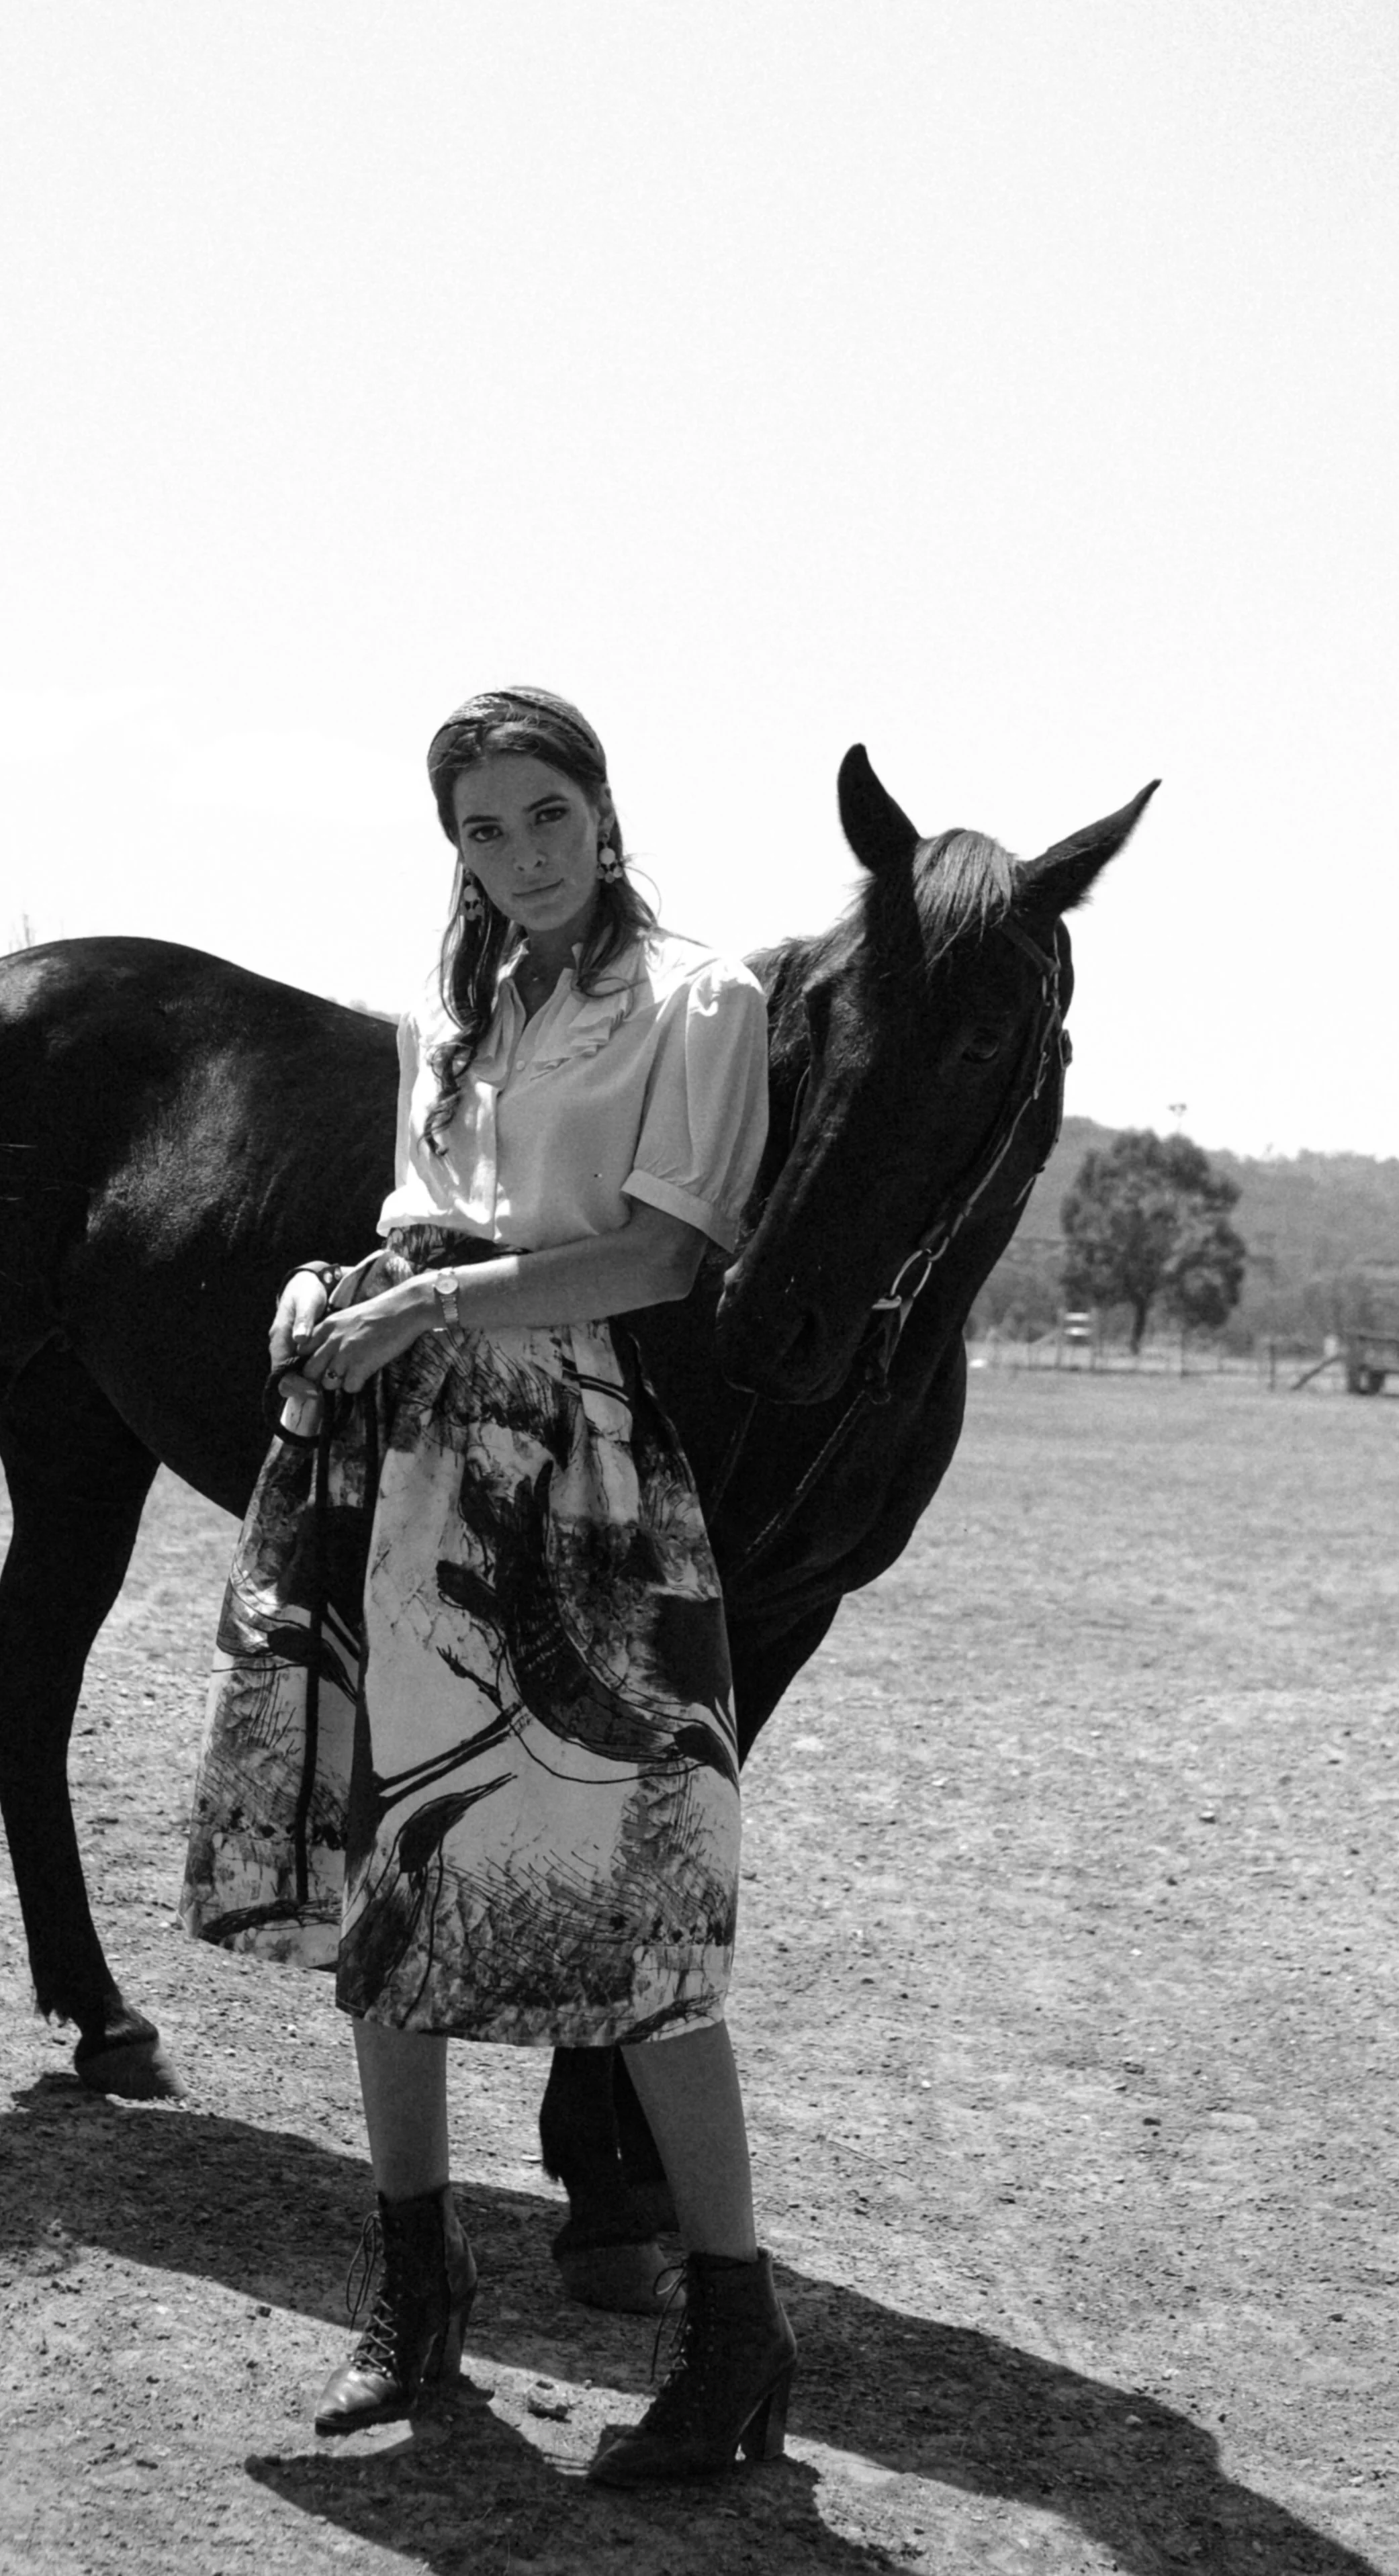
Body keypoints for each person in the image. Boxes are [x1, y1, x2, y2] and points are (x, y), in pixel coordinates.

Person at [179, 686, 794, 2485]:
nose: (518, 855)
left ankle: (737, 2328)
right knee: (397, 1877)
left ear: (603, 808)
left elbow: (664, 1251)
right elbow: (416, 1211)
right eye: (480, 828)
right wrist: (328, 1286)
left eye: (544, 815)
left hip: (580, 1475)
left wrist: (431, 1303)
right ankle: (414, 2289)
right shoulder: (446, 1006)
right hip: (388, 1464)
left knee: (639, 1912)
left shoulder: (698, 996)